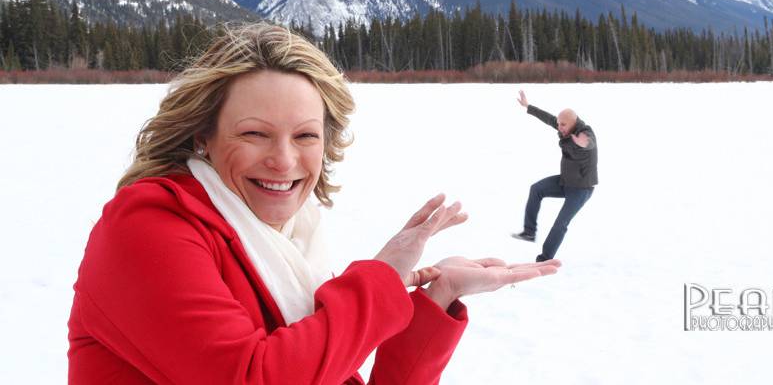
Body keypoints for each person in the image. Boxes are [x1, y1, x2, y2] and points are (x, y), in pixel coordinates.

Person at [68, 23, 560, 384]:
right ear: (203, 135)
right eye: (255, 133)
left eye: (305, 135)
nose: (284, 161)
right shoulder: (146, 228)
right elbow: (254, 378)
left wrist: (437, 299)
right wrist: (379, 280)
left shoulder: (292, 244)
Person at [511, 90, 598, 262]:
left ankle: (545, 258)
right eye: (559, 124)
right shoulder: (564, 127)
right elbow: (549, 118)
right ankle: (529, 232)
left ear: (574, 123)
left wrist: (584, 143)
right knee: (536, 189)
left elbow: (590, 143)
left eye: (563, 125)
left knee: (560, 223)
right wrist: (528, 106)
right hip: (565, 181)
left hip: (581, 189)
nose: (559, 127)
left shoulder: (585, 133)